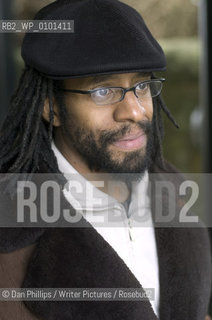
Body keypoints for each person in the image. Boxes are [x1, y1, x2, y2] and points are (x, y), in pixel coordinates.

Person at [0, 0, 211, 319]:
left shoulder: (177, 191)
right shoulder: (12, 230)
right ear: (50, 107)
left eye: (141, 86)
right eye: (103, 91)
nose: (135, 111)